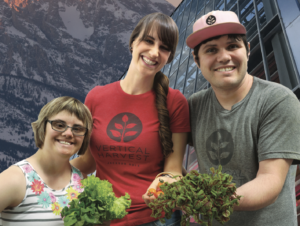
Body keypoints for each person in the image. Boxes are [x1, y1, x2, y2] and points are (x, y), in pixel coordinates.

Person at [71, 12, 190, 226]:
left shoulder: (175, 102)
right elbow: (88, 162)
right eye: (148, 41)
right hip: (104, 217)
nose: (154, 52)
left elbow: (173, 169)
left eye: (164, 48)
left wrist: (163, 185)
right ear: (133, 43)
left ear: (169, 56)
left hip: (156, 217)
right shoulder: (96, 97)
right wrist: (40, 169)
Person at [186, 10, 300, 225]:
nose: (224, 57)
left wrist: (212, 200)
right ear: (197, 60)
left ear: (247, 50)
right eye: (211, 50)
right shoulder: (194, 105)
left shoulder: (277, 100)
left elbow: (270, 181)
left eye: (232, 46)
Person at [0, 96, 95, 226]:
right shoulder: (16, 179)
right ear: (42, 127)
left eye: (77, 129)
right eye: (59, 125)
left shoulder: (83, 182)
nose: (68, 133)